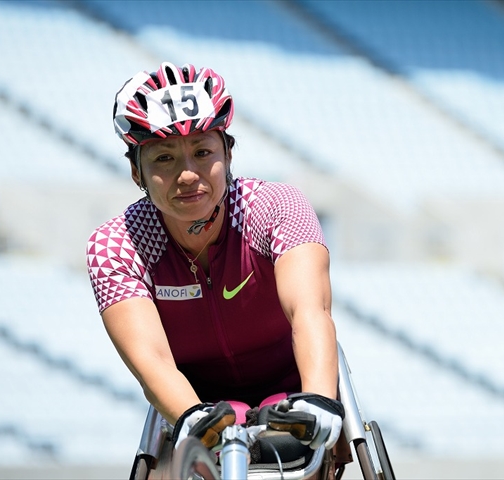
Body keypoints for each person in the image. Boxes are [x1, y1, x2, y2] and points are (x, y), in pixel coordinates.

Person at [86, 61, 345, 474]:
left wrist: (317, 399)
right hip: (195, 400)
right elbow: (150, 359)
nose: (187, 175)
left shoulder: (278, 206)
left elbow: (310, 312)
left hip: (291, 387)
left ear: (228, 152)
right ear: (137, 172)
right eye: (164, 159)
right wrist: (190, 413)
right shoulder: (114, 244)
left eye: (203, 152)